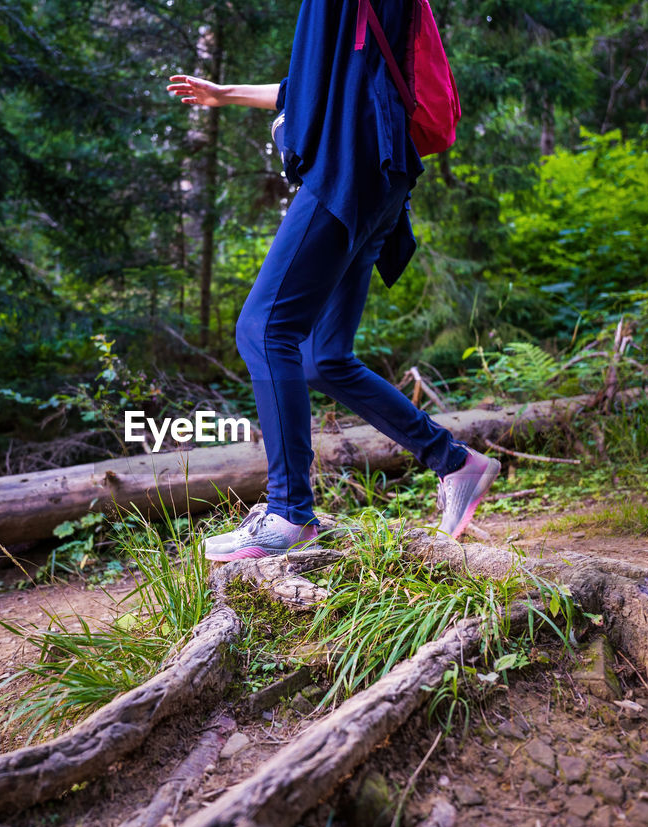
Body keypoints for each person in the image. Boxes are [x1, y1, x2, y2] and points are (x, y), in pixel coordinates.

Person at [168, 0, 499, 562]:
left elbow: (325, 90)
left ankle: (289, 513)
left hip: (351, 169)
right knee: (324, 356)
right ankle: (455, 463)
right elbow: (321, 80)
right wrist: (227, 94)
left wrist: (293, 134)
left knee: (263, 329)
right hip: (380, 174)